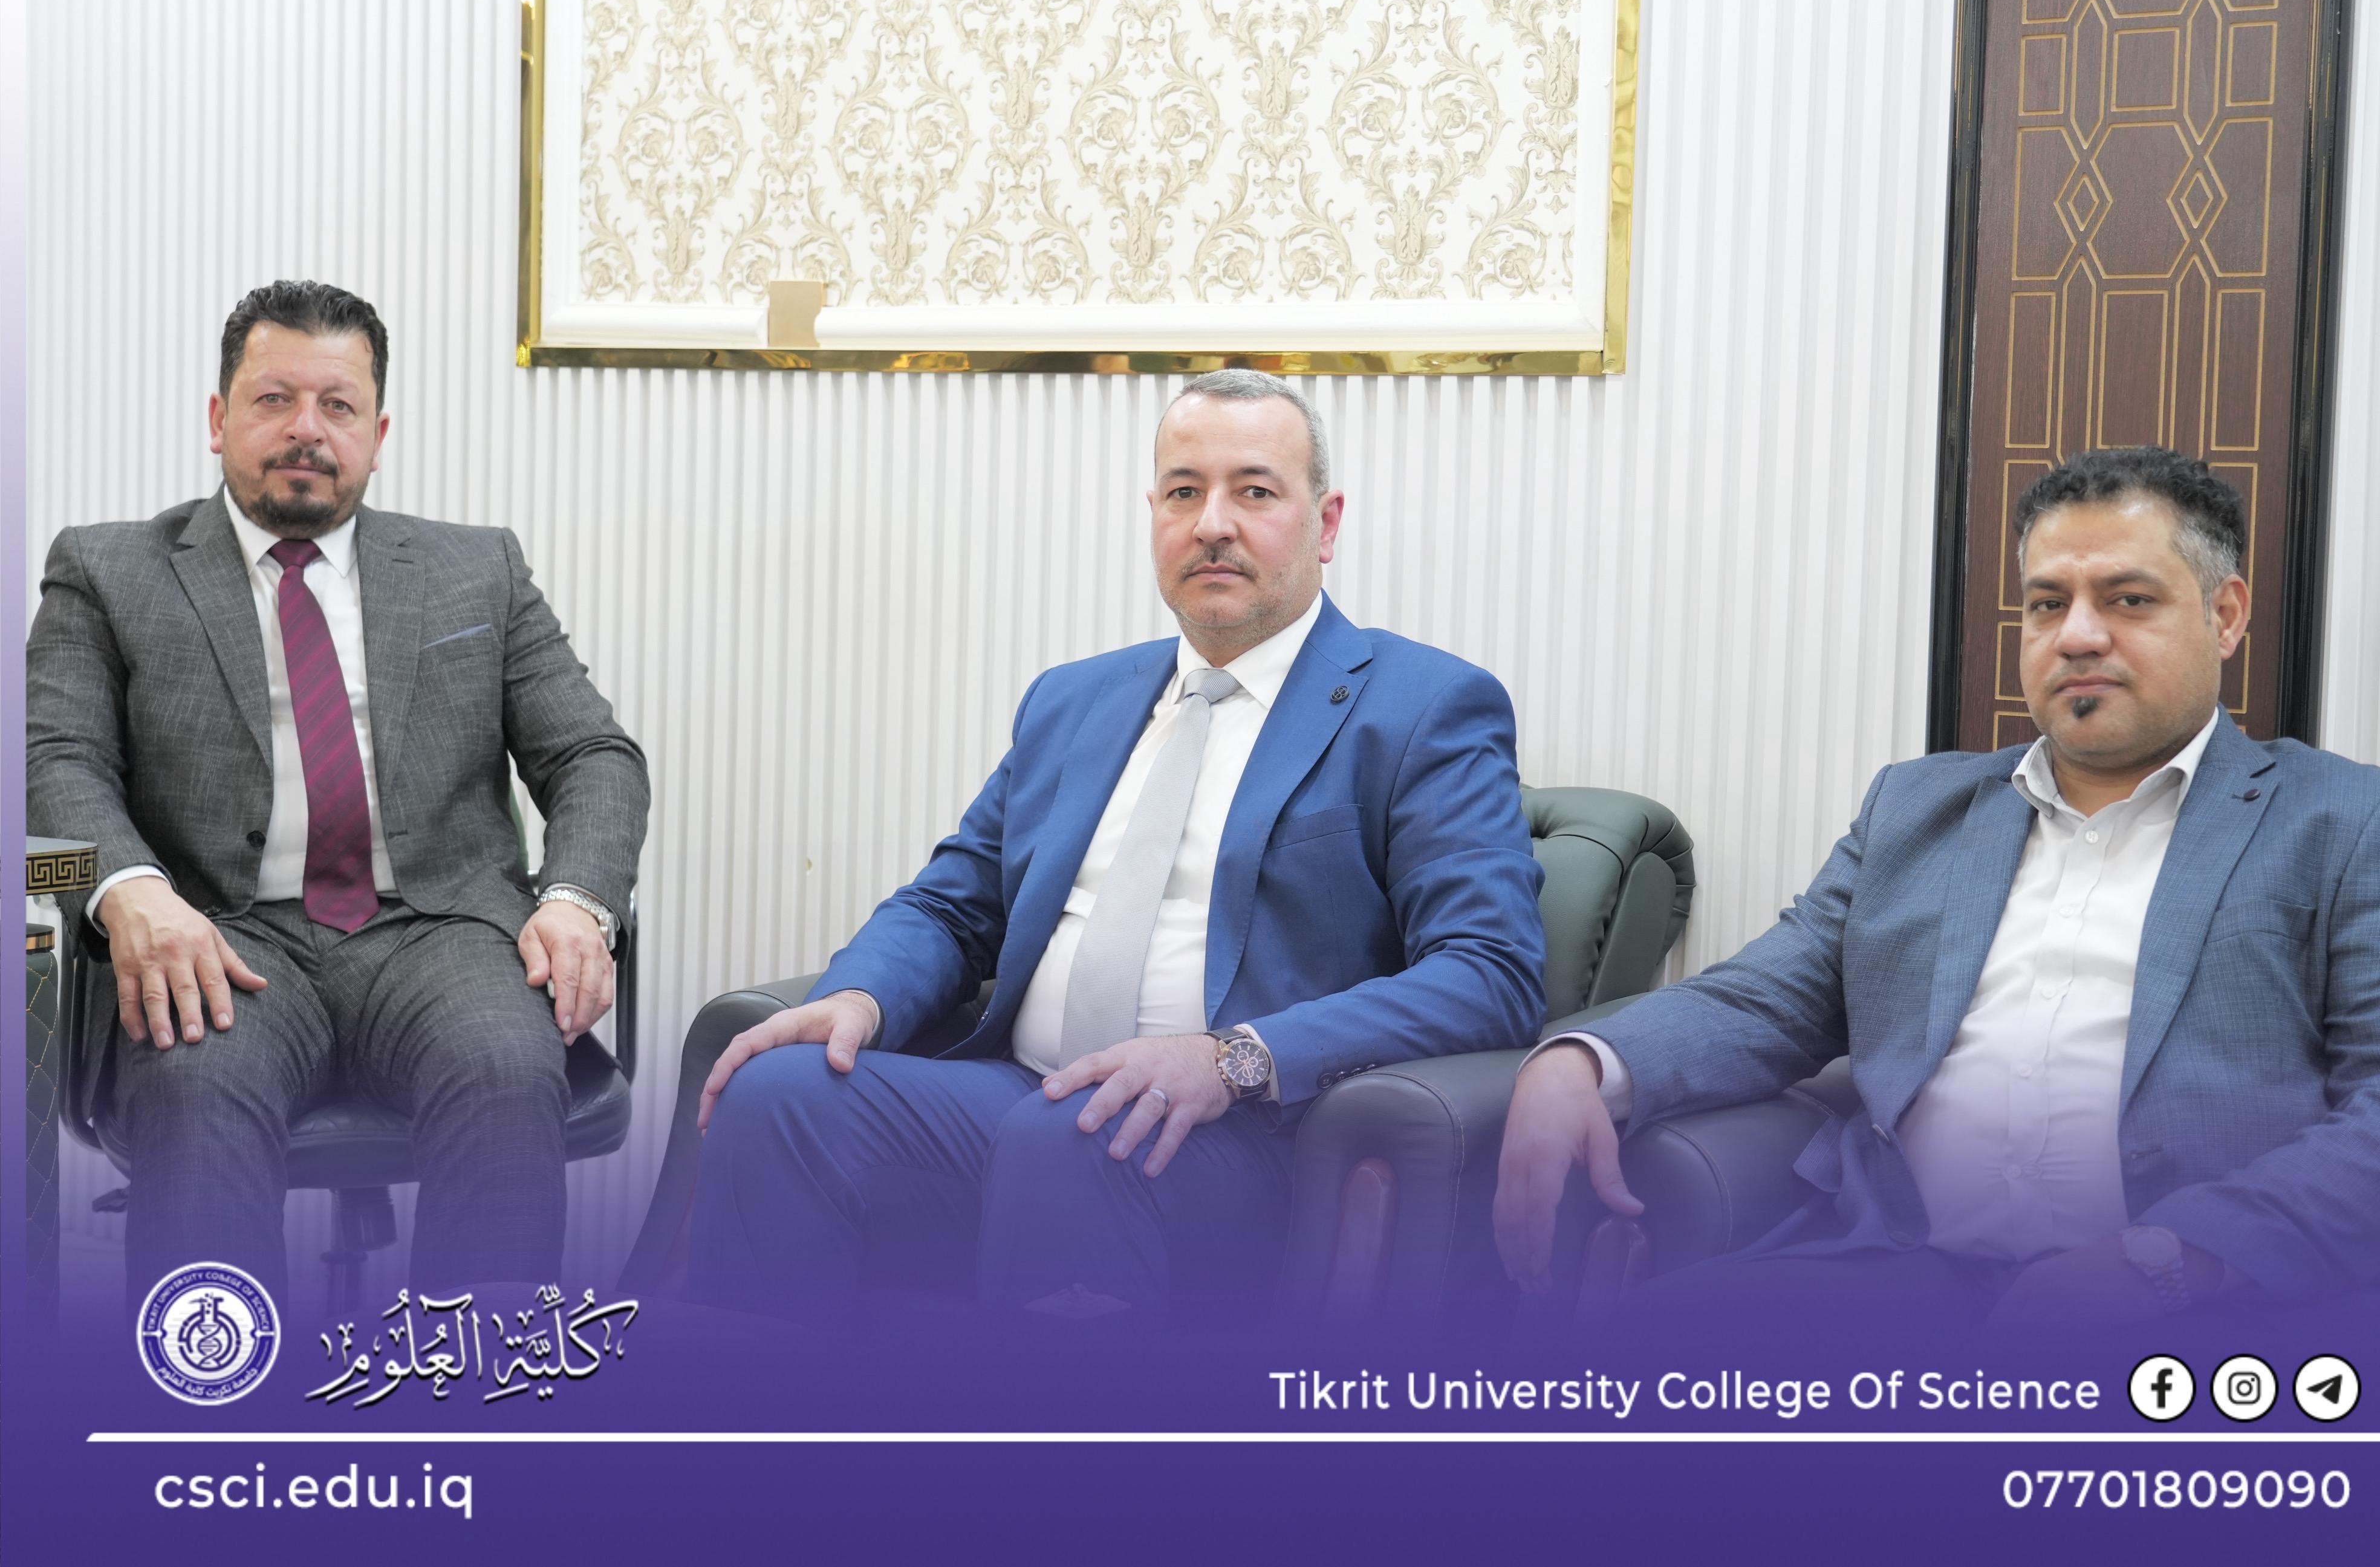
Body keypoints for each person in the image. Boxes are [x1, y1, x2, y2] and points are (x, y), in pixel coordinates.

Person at [1495, 446, 2380, 1324]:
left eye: (2128, 600)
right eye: (2047, 603)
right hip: (1902, 1270)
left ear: (2225, 614)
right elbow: (1766, 997)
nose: (2078, 636)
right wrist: (1580, 1062)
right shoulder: (1917, 808)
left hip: (2207, 1296)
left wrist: (2174, 1258)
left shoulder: (2357, 822)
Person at [691, 369, 1544, 1321]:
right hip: (1024, 1097)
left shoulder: (1423, 706)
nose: (1212, 523)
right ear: (1154, 516)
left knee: (1074, 1136)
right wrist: (859, 994)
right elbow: (953, 902)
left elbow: (1491, 970)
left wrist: (1233, 1058)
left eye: (1254, 491)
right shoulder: (1076, 698)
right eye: (1184, 491)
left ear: (1326, 522)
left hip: (1245, 1137)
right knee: (780, 1093)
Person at [27, 280, 651, 1308]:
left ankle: (474, 1388)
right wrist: (129, 890)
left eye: (338, 405)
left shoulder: (476, 568)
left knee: (505, 1062)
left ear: (378, 433)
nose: (306, 430)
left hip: (439, 931)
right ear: (219, 417)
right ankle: (218, 1394)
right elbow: (56, 760)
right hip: (216, 934)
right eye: (274, 399)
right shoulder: (107, 569)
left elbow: (594, 753)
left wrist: (578, 899)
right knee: (194, 1081)